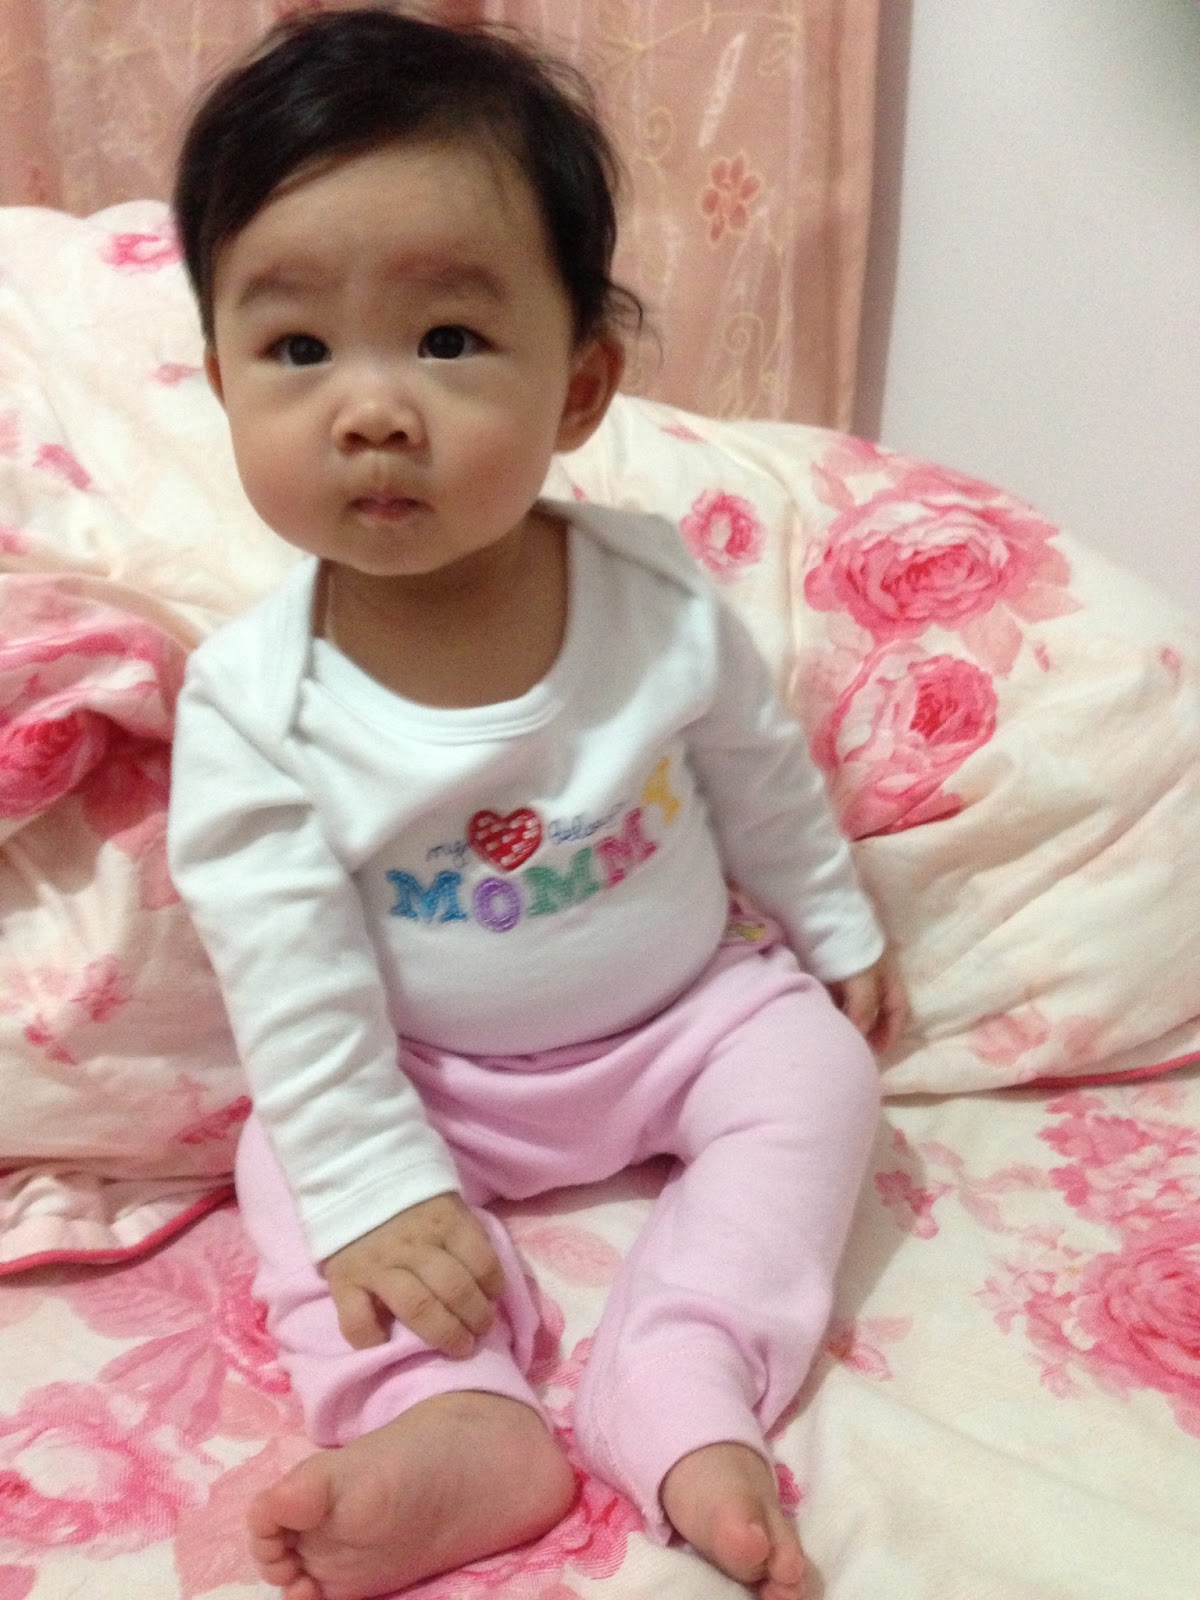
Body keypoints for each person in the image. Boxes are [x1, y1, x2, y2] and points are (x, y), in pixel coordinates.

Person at [167, 8, 908, 1600]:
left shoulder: (656, 596)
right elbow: (288, 978)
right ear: (220, 383)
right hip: (431, 1079)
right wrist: (379, 1183)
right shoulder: (253, 702)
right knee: (295, 1168)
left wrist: (833, 924)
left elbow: (760, 770)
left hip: (684, 1017)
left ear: (580, 387)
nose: (372, 410)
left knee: (821, 1077)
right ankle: (450, 1416)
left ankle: (684, 1372)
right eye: (297, 350)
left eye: (446, 340)